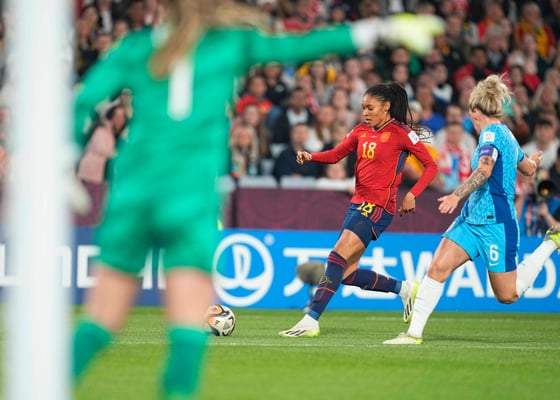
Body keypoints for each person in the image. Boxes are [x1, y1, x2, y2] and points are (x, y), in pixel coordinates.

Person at [71, 0, 445, 397]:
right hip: (190, 198)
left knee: (100, 321)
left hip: (133, 193)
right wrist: (381, 29)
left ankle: (312, 317)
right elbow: (300, 45)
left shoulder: (134, 48)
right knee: (188, 329)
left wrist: (63, 161)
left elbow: (81, 101)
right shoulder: (228, 44)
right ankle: (398, 291)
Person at [383, 74, 560, 345]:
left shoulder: (489, 134)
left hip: (496, 224)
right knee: (437, 267)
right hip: (471, 220)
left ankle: (551, 242)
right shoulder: (508, 135)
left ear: (475, 111)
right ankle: (413, 334)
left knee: (508, 294)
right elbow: (527, 169)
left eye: (470, 114)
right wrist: (534, 162)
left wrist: (456, 195)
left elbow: (485, 170)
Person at [279, 82, 439, 338]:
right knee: (347, 273)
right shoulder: (360, 130)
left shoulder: (402, 133)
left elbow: (431, 166)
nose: (365, 112)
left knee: (336, 257)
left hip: (379, 207)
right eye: (363, 107)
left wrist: (412, 194)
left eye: (370, 107)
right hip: (357, 204)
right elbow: (335, 155)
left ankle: (311, 319)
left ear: (386, 107)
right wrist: (311, 156)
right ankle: (405, 289)